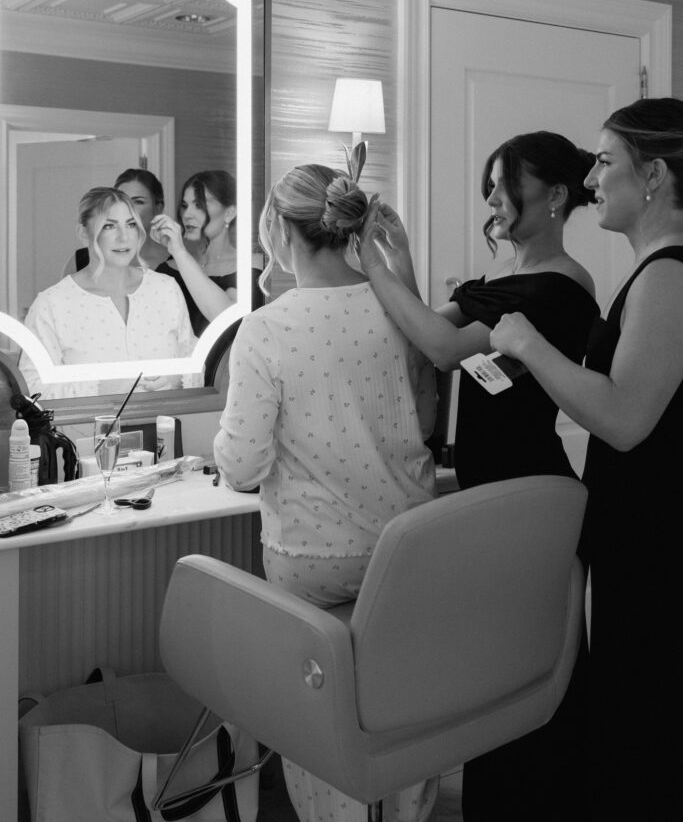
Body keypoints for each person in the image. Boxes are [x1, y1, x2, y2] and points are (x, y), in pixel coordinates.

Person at [358, 131, 600, 821]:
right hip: (493, 491)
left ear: (555, 196)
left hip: (530, 492)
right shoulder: (498, 282)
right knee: (496, 667)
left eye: (504, 185)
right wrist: (396, 256)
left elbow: (441, 347)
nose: (491, 199)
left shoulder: (560, 287)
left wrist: (369, 264)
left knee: (530, 663)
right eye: (488, 185)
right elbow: (423, 336)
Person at [213, 162, 438, 822]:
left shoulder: (267, 328)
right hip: (406, 553)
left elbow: (242, 466)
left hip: (316, 563)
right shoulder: (398, 308)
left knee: (323, 719)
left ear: (281, 232)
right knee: (401, 702)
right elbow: (424, 421)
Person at [489, 98, 683, 820]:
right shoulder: (654, 272)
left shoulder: (668, 275)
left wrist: (528, 345)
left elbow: (625, 419)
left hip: (657, 539)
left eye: (605, 161)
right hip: (640, 531)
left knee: (646, 718)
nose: (592, 177)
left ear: (654, 175)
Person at [20, 187, 197, 399]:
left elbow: (195, 363)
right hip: (88, 423)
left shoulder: (166, 289)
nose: (124, 237)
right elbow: (31, 389)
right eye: (109, 226)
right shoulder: (51, 305)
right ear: (83, 234)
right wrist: (100, 387)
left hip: (165, 419)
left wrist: (176, 379)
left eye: (131, 224)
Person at [152, 169, 263, 335]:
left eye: (199, 205)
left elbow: (227, 320)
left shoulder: (252, 267)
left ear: (230, 212)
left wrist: (179, 252)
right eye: (184, 206)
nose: (187, 215)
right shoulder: (167, 270)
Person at [64, 167, 169, 274]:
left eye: (138, 202)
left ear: (158, 208)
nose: (128, 209)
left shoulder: (174, 263)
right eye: (122, 201)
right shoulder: (80, 260)